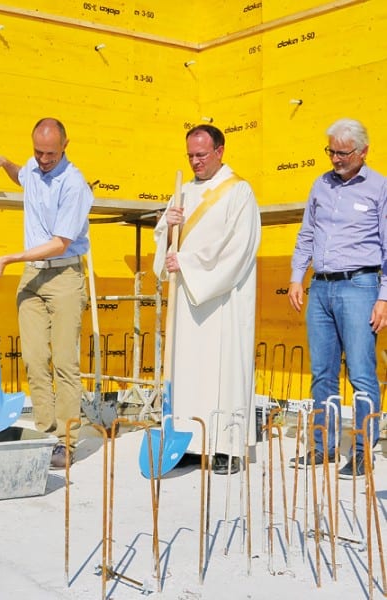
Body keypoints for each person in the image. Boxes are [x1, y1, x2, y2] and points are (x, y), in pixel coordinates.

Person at [0, 118, 92, 470]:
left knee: (64, 362)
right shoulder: (34, 166)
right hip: (32, 277)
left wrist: (11, 257)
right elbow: (22, 175)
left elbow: (60, 243)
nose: (43, 160)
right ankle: (46, 433)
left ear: (66, 145)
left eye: (51, 154)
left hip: (64, 276)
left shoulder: (74, 184)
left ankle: (67, 440)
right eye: (38, 152)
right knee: (34, 358)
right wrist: (4, 162)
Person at [152, 124, 261, 475]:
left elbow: (238, 251)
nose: (195, 162)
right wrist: (166, 226)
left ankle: (226, 446)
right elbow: (167, 243)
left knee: (222, 369)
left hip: (220, 300)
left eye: (201, 155)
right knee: (185, 369)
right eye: (190, 156)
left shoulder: (239, 192)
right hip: (186, 299)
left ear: (219, 151)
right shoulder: (181, 192)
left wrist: (186, 263)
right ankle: (188, 440)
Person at [288, 118, 387, 479]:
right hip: (322, 288)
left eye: (342, 152)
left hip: (361, 286)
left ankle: (362, 452)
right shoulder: (321, 185)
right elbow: (306, 234)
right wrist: (297, 277)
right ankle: (323, 447)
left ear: (363, 152)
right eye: (330, 151)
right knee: (322, 373)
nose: (335, 159)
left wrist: (384, 298)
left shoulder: (380, 188)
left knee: (361, 374)